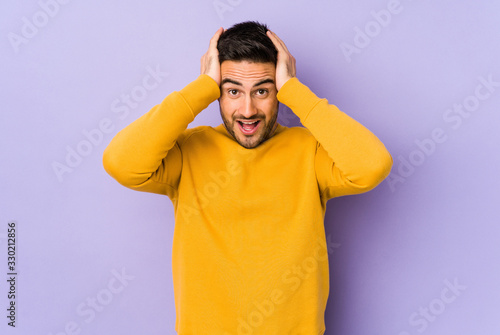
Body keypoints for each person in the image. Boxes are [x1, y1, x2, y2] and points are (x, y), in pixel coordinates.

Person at [103, 21, 392, 335]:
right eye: (232, 91)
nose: (248, 109)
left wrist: (295, 90)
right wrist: (201, 87)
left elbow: (372, 165)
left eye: (263, 91)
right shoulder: (188, 152)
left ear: (279, 91)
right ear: (217, 93)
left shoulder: (308, 151)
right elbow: (121, 162)